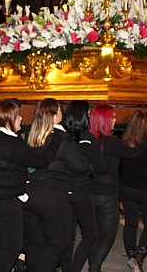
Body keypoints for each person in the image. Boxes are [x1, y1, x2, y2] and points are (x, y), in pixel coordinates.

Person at [0, 99, 60, 272]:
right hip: (3, 201)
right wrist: (57, 137)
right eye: (17, 117)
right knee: (12, 246)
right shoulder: (10, 144)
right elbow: (41, 161)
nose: (21, 119)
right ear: (8, 123)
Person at [23, 98, 89, 272]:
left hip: (29, 193)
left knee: (35, 242)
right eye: (60, 110)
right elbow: (81, 167)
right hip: (52, 196)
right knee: (58, 244)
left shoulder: (32, 136)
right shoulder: (62, 139)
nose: (62, 113)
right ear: (53, 115)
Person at [85, 104, 147, 272]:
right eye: (112, 117)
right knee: (107, 235)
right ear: (105, 120)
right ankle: (94, 267)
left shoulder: (87, 139)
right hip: (107, 194)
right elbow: (131, 153)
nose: (115, 119)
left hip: (89, 193)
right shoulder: (111, 142)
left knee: (95, 233)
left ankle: (93, 264)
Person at [119, 109, 147, 272]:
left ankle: (131, 255)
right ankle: (139, 257)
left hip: (126, 188)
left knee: (131, 223)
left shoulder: (124, 141)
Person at [60, 100, 98, 272]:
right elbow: (99, 167)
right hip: (81, 190)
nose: (90, 117)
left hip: (63, 189)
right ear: (82, 116)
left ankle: (67, 268)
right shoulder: (87, 138)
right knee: (91, 233)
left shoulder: (62, 136)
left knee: (69, 235)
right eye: (88, 114)